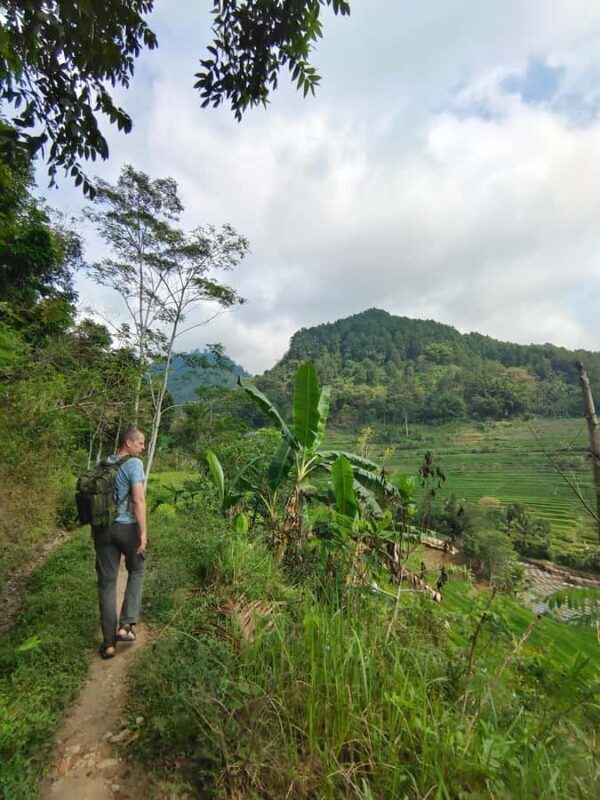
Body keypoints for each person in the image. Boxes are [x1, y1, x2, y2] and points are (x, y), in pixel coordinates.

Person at [93, 427, 147, 659]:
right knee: (137, 569)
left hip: (102, 529)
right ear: (128, 443)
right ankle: (125, 626)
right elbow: (138, 499)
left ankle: (108, 644)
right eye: (140, 443)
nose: (143, 447)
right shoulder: (134, 464)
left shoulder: (103, 463)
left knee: (107, 584)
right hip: (126, 528)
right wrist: (143, 532)